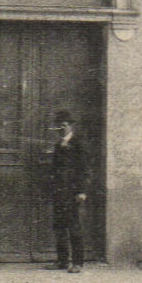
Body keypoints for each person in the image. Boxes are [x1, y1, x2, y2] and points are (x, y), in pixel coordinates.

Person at [50, 110, 89, 273]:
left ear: (71, 126)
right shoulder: (58, 145)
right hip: (59, 192)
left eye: (64, 126)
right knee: (59, 226)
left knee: (74, 227)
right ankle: (62, 261)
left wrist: (81, 191)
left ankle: (78, 263)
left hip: (73, 192)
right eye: (58, 126)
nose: (61, 129)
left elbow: (84, 169)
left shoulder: (79, 144)